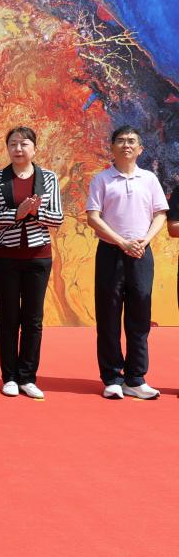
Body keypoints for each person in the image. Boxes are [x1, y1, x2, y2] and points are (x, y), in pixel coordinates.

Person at [0, 127, 63, 399]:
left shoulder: (48, 178)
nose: (18, 149)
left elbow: (58, 218)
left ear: (35, 148)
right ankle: (10, 377)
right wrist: (17, 214)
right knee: (9, 316)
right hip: (5, 256)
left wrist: (36, 213)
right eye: (13, 144)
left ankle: (28, 377)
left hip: (39, 257)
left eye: (24, 144)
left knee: (33, 319)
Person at [85, 125, 168, 400]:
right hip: (111, 253)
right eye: (120, 140)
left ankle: (136, 378)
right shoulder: (102, 179)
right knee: (108, 316)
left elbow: (160, 214)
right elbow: (93, 217)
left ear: (140, 149)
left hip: (141, 253)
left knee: (140, 316)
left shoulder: (149, 179)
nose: (126, 145)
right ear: (112, 147)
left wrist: (144, 241)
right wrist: (122, 242)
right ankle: (112, 377)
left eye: (132, 141)